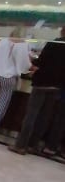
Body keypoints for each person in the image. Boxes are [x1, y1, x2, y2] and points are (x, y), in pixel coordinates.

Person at [9, 26, 65, 155]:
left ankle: (20, 145)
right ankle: (33, 145)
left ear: (62, 30)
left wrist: (31, 59)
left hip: (42, 82)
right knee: (44, 117)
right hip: (57, 86)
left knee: (31, 114)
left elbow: (40, 62)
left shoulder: (54, 43)